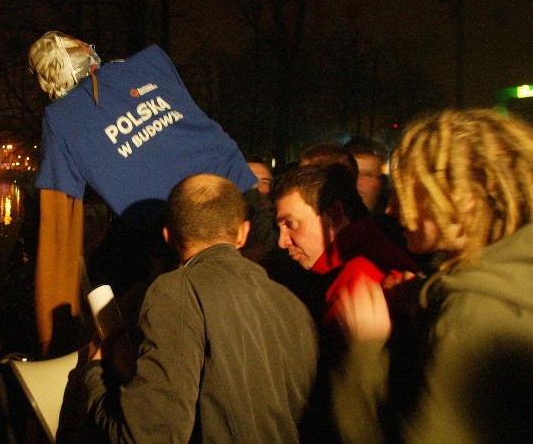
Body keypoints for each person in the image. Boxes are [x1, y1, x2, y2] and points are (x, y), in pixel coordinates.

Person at [28, 32, 257, 355]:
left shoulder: (61, 119)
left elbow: (58, 233)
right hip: (244, 201)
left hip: (189, 233)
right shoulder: (153, 61)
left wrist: (54, 342)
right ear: (89, 52)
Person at [333, 109, 533, 443]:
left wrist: (366, 349)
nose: (391, 209)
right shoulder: (510, 275)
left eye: (408, 193)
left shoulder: (476, 315)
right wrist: (424, 295)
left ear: (465, 198)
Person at [80, 173, 318, 442]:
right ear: (243, 233)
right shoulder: (291, 303)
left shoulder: (176, 292)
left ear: (169, 237)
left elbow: (150, 435)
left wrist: (95, 375)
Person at [272, 163, 419, 442]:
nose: (282, 241)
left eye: (290, 224)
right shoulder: (356, 264)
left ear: (334, 214)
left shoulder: (359, 277)